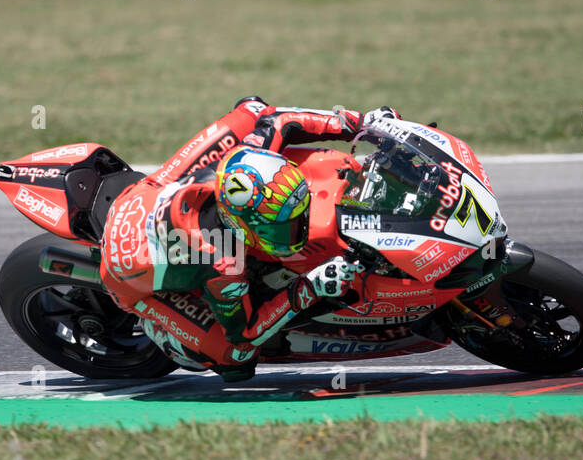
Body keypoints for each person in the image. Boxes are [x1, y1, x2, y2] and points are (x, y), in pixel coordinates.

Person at [99, 96, 403, 381]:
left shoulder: (248, 160)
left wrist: (364, 124)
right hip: (123, 273)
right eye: (284, 226)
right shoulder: (225, 265)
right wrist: (310, 286)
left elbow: (284, 121)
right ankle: (161, 332)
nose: (300, 226)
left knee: (254, 109)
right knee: (236, 358)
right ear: (243, 229)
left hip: (149, 191)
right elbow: (246, 332)